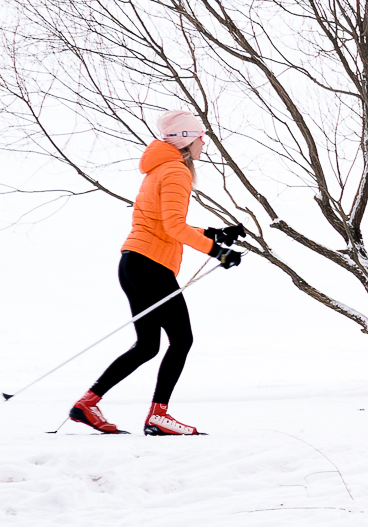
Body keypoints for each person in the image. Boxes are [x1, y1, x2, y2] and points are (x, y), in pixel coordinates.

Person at [68, 110, 245, 436]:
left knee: (148, 345)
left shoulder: (157, 169)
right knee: (182, 339)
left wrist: (213, 233)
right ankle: (158, 416)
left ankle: (87, 404)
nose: (204, 143)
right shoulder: (177, 172)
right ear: (187, 140)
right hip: (151, 265)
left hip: (133, 262)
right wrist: (217, 252)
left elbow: (164, 223)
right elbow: (174, 226)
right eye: (200, 137)